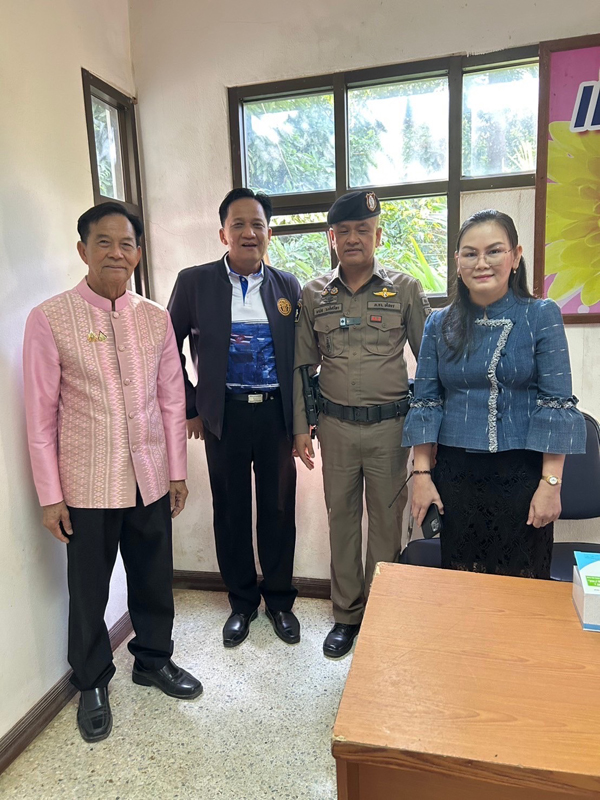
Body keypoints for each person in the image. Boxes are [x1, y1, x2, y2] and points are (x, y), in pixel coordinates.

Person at [23, 202, 202, 744]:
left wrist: (177, 471)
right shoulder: (49, 318)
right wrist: (50, 496)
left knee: (153, 579)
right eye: (104, 243)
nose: (116, 253)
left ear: (138, 254)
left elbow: (173, 400)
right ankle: (93, 680)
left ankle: (152, 660)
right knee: (89, 589)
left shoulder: (155, 319)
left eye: (127, 244)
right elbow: (39, 415)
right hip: (85, 482)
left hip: (149, 473)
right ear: (83, 250)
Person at [403, 209, 587, 578]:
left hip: (521, 474)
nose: (481, 262)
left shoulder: (541, 314)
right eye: (470, 253)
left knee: (521, 580)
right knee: (462, 577)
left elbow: (556, 404)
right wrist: (421, 477)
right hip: (456, 475)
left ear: (516, 256)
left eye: (494, 251)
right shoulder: (440, 322)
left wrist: (551, 484)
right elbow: (425, 401)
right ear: (457, 262)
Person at [294, 190, 431, 658]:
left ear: (377, 234)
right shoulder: (314, 293)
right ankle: (346, 615)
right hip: (333, 427)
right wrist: (299, 429)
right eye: (344, 231)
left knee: (387, 523)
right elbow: (301, 367)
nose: (353, 238)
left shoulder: (405, 289)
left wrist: (429, 437)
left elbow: (428, 368)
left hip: (391, 428)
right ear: (332, 238)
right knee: (342, 520)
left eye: (363, 230)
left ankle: (382, 613)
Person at [168, 188, 301, 648]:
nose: (249, 233)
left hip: (276, 419)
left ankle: (280, 602)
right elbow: (169, 351)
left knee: (279, 510)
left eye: (258, 225)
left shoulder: (288, 286)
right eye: (239, 225)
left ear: (270, 233)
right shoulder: (194, 282)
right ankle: (242, 603)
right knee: (230, 511)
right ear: (223, 232)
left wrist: (304, 421)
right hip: (222, 418)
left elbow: (302, 360)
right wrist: (191, 406)